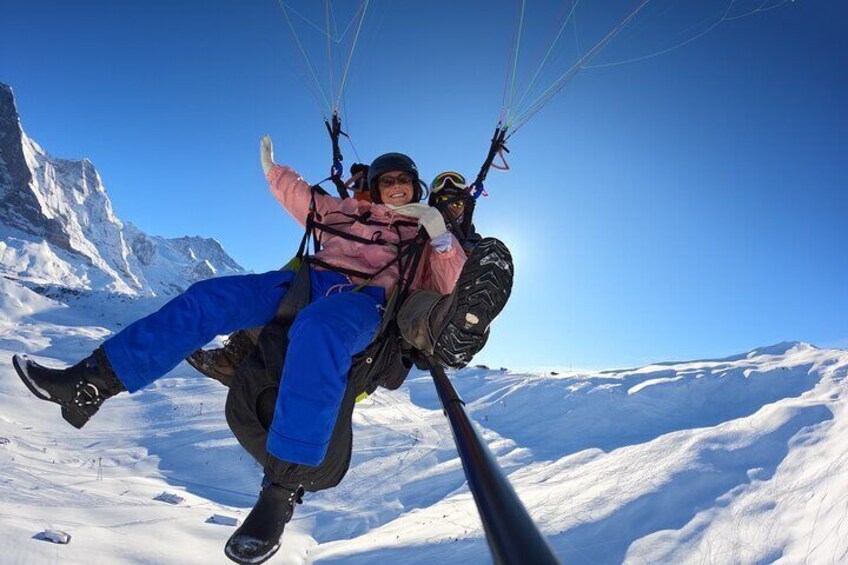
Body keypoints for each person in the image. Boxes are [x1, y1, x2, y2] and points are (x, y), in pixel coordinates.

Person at [11, 137, 513, 564]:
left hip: (363, 303)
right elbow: (302, 199)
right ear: (374, 186)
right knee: (210, 298)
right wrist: (274, 170)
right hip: (303, 283)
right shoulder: (345, 210)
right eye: (389, 182)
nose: (397, 188)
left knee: (318, 332)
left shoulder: (421, 235)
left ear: (416, 188)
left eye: (405, 181)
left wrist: (439, 232)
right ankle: (91, 382)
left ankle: (280, 490)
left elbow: (449, 284)